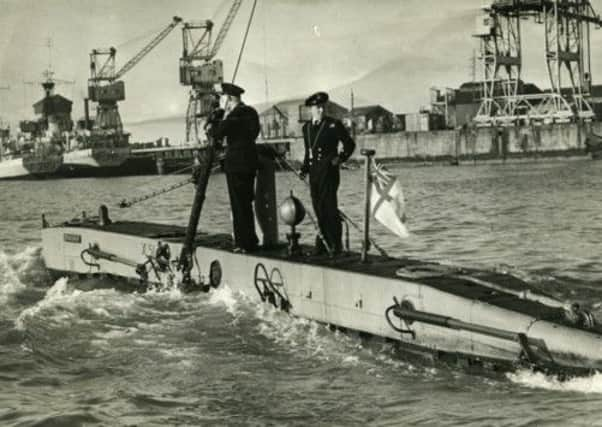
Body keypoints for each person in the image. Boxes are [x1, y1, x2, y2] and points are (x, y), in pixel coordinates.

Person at [299, 91, 355, 255]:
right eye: (318, 107)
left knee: (330, 207)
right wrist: (304, 169)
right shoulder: (306, 128)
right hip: (315, 174)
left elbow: (349, 144)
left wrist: (340, 159)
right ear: (311, 109)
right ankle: (323, 243)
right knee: (318, 207)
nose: (321, 110)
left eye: (323, 107)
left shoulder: (333, 125)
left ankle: (335, 245)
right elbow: (308, 152)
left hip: (329, 173)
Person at [210, 82, 260, 253]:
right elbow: (254, 133)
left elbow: (216, 133)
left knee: (238, 204)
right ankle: (250, 239)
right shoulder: (251, 112)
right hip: (249, 163)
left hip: (236, 165)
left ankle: (243, 243)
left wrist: (222, 115)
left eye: (223, 98)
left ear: (229, 98)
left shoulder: (234, 115)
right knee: (246, 202)